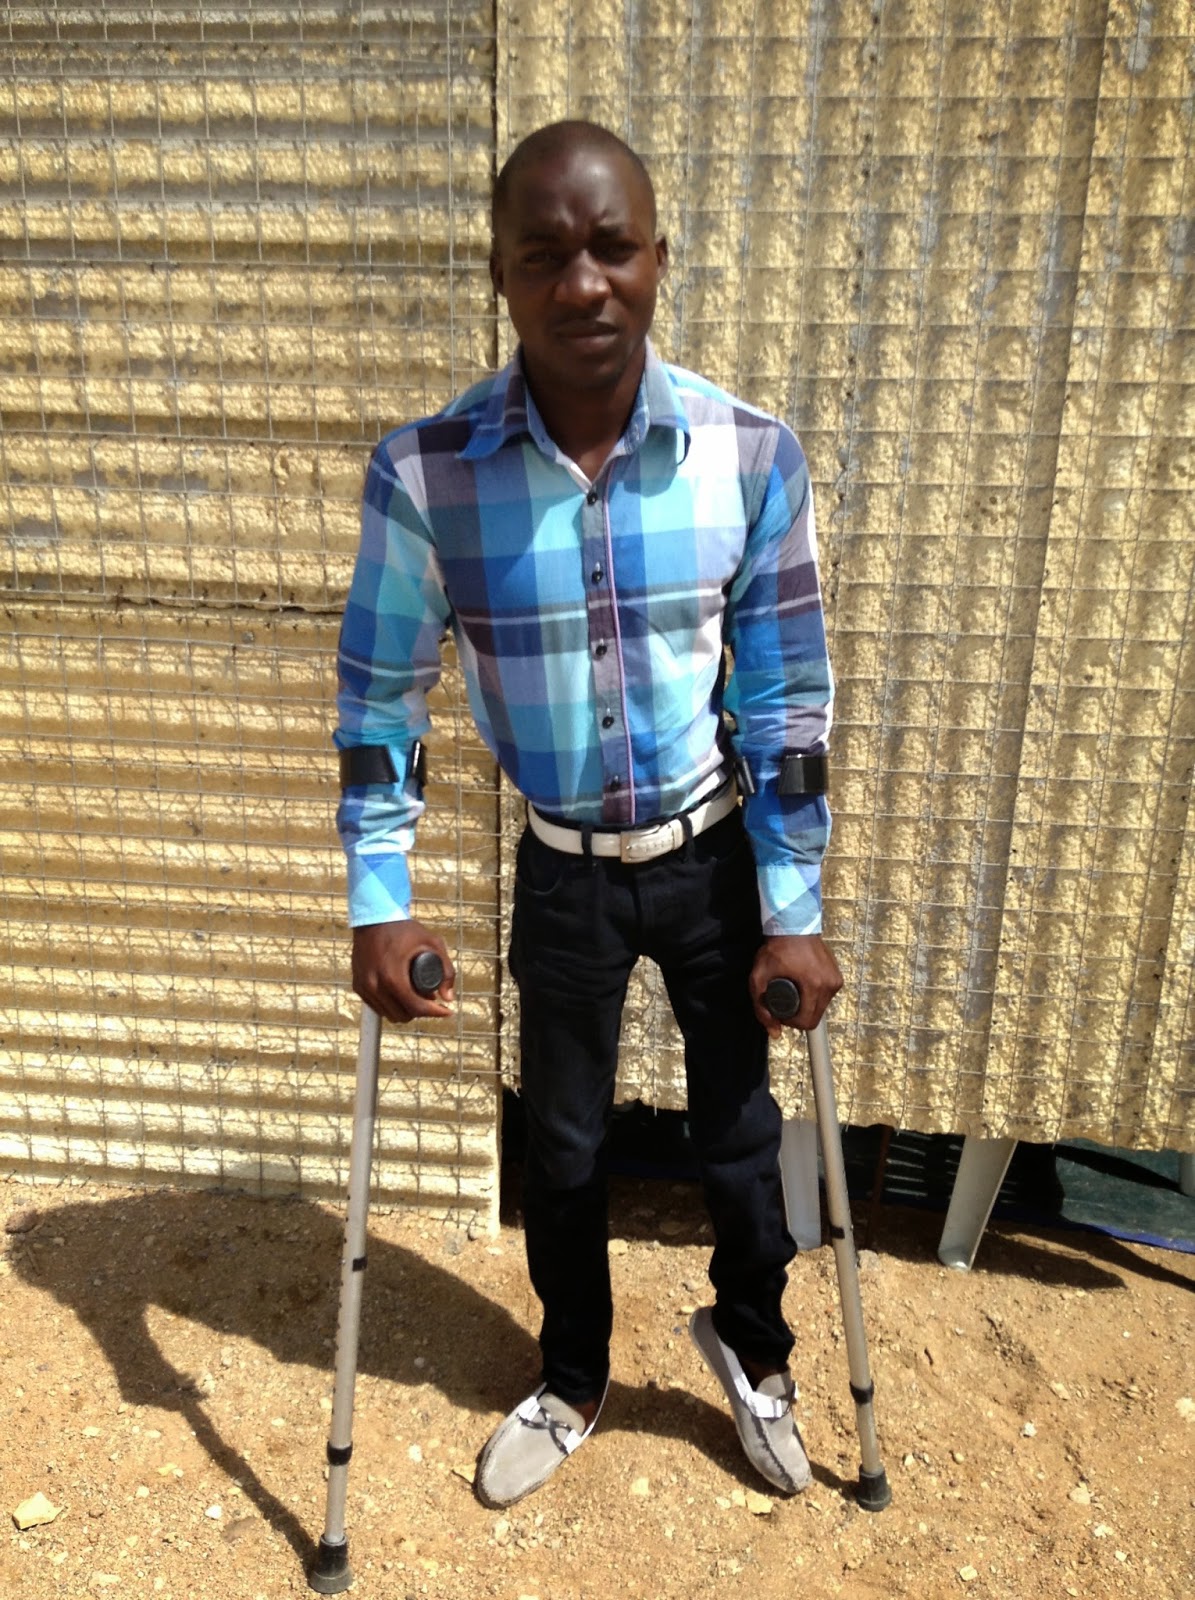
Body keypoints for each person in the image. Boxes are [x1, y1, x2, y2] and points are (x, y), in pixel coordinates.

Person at [334, 120, 841, 1509]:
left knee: (740, 1138)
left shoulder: (751, 456)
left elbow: (787, 701)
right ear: (500, 273)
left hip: (712, 856)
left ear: (659, 259)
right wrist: (381, 897)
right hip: (562, 870)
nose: (583, 283)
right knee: (559, 1144)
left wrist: (794, 906)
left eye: (612, 247)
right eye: (545, 254)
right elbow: (381, 702)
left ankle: (755, 1351)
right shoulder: (426, 475)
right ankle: (571, 1375)